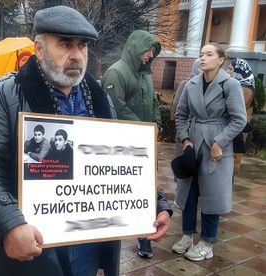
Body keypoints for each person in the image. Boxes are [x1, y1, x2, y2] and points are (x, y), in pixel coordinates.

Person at [0, 6, 171, 276]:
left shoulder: (100, 98)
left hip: (89, 249)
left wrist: (154, 201)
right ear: (39, 49)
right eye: (65, 44)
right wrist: (9, 223)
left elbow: (118, 161)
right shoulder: (5, 95)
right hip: (35, 250)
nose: (76, 55)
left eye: (82, 45)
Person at [172, 44, 246, 261]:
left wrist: (219, 142)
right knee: (188, 192)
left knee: (212, 195)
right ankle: (187, 236)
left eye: (209, 54)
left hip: (217, 145)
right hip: (193, 144)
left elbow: (239, 119)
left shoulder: (230, 85)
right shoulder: (191, 84)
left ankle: (207, 242)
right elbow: (181, 114)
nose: (203, 58)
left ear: (221, 59)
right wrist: (185, 139)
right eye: (201, 54)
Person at [102, 29, 167, 259]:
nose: (150, 55)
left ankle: (145, 238)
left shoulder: (146, 74)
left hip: (146, 144)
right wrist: (143, 130)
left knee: (145, 191)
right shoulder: (116, 73)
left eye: (153, 52)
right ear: (135, 48)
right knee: (118, 192)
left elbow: (154, 102)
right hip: (124, 147)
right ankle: (108, 240)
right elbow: (117, 108)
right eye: (148, 51)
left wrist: (157, 124)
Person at [227, 58, 255, 176]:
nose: (227, 72)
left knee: (234, 159)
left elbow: (235, 109)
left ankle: (229, 184)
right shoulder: (242, 85)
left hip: (237, 130)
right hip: (237, 129)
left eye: (230, 69)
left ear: (239, 71)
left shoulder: (244, 89)